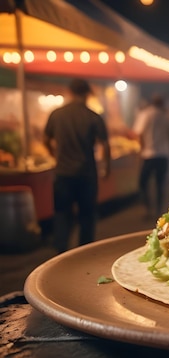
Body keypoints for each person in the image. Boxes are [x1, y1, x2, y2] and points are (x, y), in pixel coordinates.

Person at [43, 78, 111, 253]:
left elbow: (45, 139)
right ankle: (83, 254)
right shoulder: (93, 116)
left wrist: (54, 155)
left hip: (63, 173)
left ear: (70, 92)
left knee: (62, 215)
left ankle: (60, 255)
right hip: (86, 173)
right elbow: (105, 144)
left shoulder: (56, 114)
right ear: (87, 94)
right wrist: (106, 168)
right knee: (87, 217)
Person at [133, 95, 169, 219]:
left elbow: (139, 133)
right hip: (163, 155)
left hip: (148, 155)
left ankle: (147, 208)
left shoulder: (145, 114)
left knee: (143, 183)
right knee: (160, 184)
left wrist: (141, 150)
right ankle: (159, 210)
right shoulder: (166, 116)